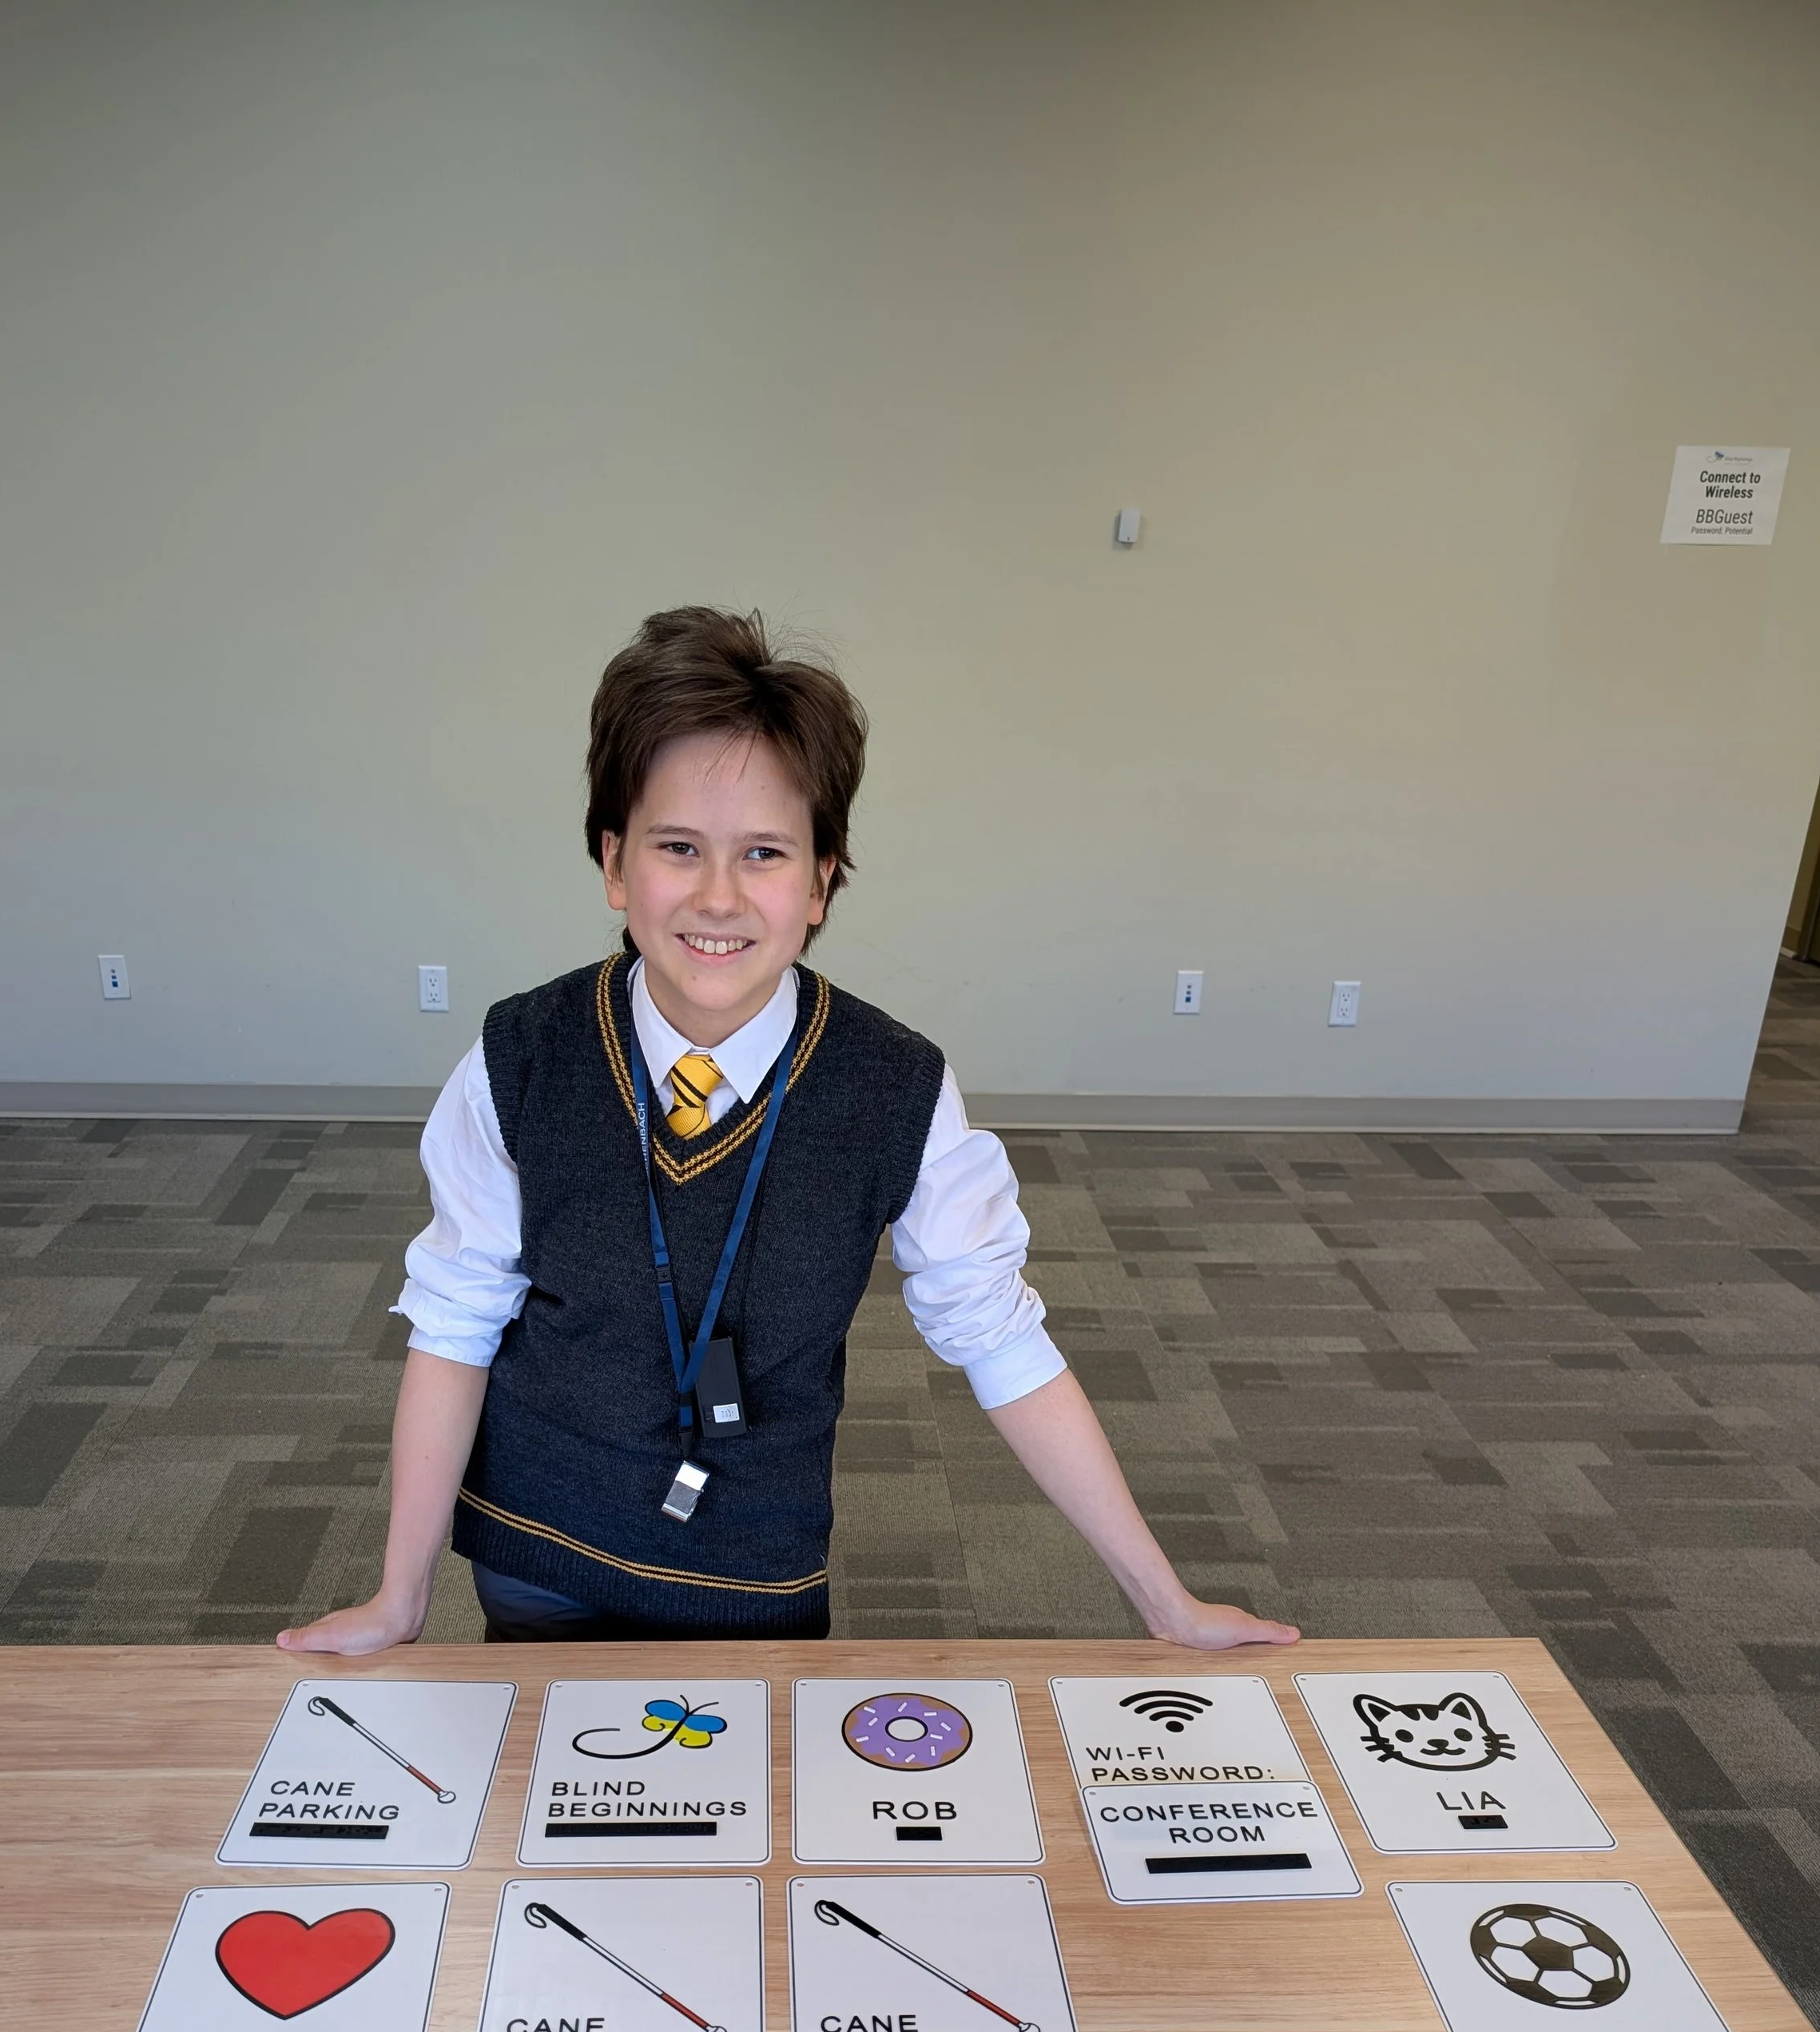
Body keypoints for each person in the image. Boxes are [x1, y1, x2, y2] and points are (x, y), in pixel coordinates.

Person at [282, 607, 1297, 1656]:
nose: (718, 896)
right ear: (616, 863)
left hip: (755, 1577)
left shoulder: (893, 1088)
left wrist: (1165, 1603)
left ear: (819, 882)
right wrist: (400, 1597)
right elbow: (455, 1322)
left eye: (763, 853)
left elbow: (1000, 1337)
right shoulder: (523, 1056)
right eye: (679, 848)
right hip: (539, 1553)